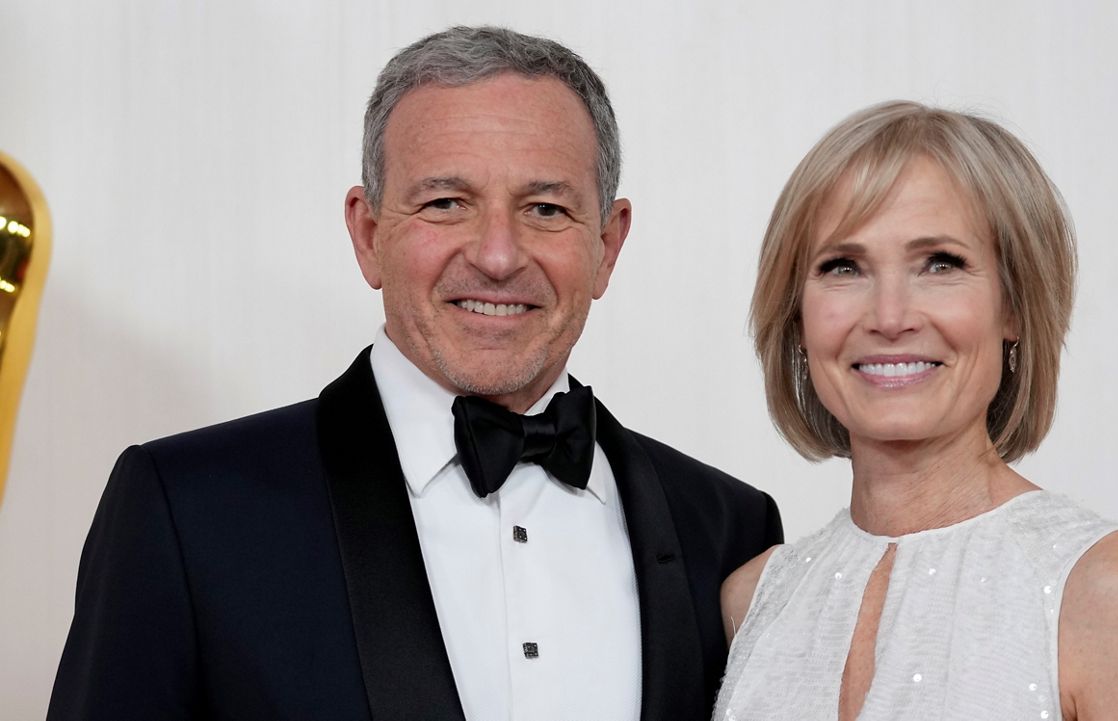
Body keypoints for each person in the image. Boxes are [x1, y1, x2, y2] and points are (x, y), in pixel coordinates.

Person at [48, 26, 781, 721]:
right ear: (368, 235)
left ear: (608, 245)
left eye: (546, 207)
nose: (498, 255)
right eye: (446, 203)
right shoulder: (186, 510)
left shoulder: (730, 533)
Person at [714, 101, 1118, 720]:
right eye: (844, 267)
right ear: (798, 316)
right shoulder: (753, 598)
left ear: (1015, 307)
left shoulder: (1107, 590)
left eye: (940, 264)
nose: (890, 317)